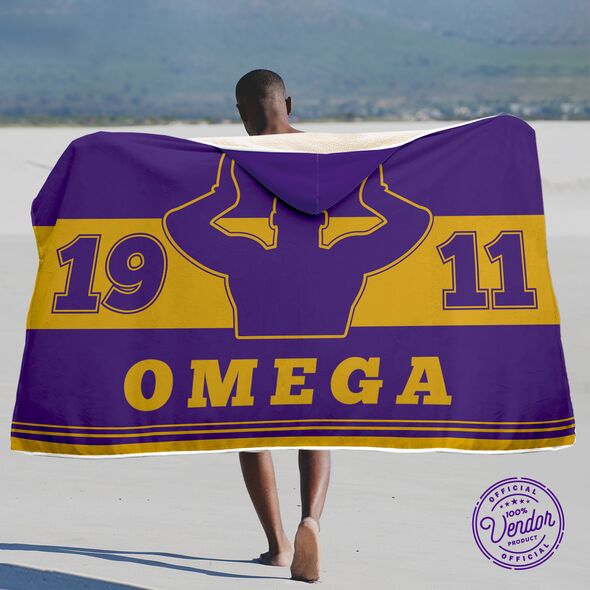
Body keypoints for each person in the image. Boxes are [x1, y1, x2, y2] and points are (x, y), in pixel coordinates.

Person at [235, 69, 331, 583]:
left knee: (251, 424)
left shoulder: (235, 160)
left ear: (242, 113)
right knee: (314, 420)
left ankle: (278, 546)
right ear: (288, 104)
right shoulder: (327, 155)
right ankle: (310, 518)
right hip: (320, 305)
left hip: (257, 304)